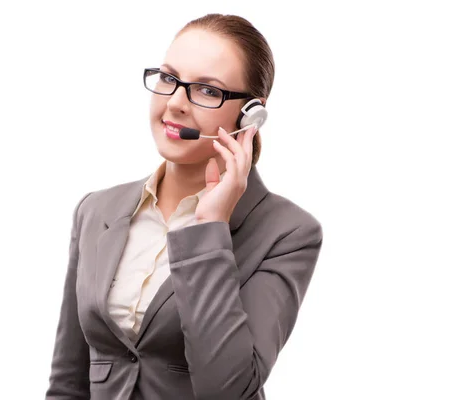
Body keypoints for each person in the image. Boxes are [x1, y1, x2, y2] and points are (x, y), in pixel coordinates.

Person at [45, 13, 323, 400]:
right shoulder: (96, 211)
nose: (175, 103)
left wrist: (209, 228)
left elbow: (228, 390)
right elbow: (68, 382)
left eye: (208, 91)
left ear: (251, 115)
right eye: (169, 79)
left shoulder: (288, 232)